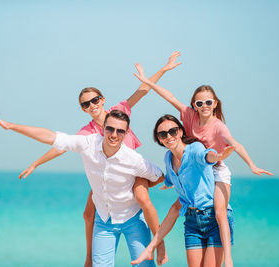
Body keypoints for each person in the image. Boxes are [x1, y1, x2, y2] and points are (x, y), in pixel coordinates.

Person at [18, 51, 181, 266]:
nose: (92, 105)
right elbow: (60, 146)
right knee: (88, 214)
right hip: (106, 175)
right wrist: (35, 163)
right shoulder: (87, 132)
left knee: (141, 197)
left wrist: (164, 68)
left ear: (102, 100)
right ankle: (90, 258)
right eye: (86, 104)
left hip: (132, 171)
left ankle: (159, 244)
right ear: (83, 109)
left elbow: (142, 91)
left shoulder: (118, 112)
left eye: (94, 100)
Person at [133, 60, 273, 267]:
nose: (204, 106)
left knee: (219, 211)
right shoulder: (188, 118)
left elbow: (231, 146)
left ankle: (229, 260)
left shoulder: (218, 127)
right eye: (199, 103)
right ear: (194, 105)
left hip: (215, 165)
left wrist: (250, 164)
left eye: (209, 102)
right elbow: (169, 97)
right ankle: (154, 247)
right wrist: (148, 80)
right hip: (195, 175)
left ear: (215, 103)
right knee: (180, 204)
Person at [0, 110, 165, 267]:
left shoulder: (134, 160)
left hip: (132, 219)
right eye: (110, 129)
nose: (114, 134)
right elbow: (51, 137)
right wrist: (10, 126)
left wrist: (139, 185)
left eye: (120, 131)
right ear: (103, 129)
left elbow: (160, 176)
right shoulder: (87, 143)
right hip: (104, 221)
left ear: (126, 134)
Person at [132, 114, 235, 267]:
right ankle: (150, 248)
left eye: (172, 131)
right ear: (159, 139)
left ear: (180, 132)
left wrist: (218, 155)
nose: (169, 136)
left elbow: (206, 156)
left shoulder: (194, 149)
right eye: (163, 134)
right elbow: (170, 178)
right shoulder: (168, 158)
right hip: (192, 221)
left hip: (213, 218)